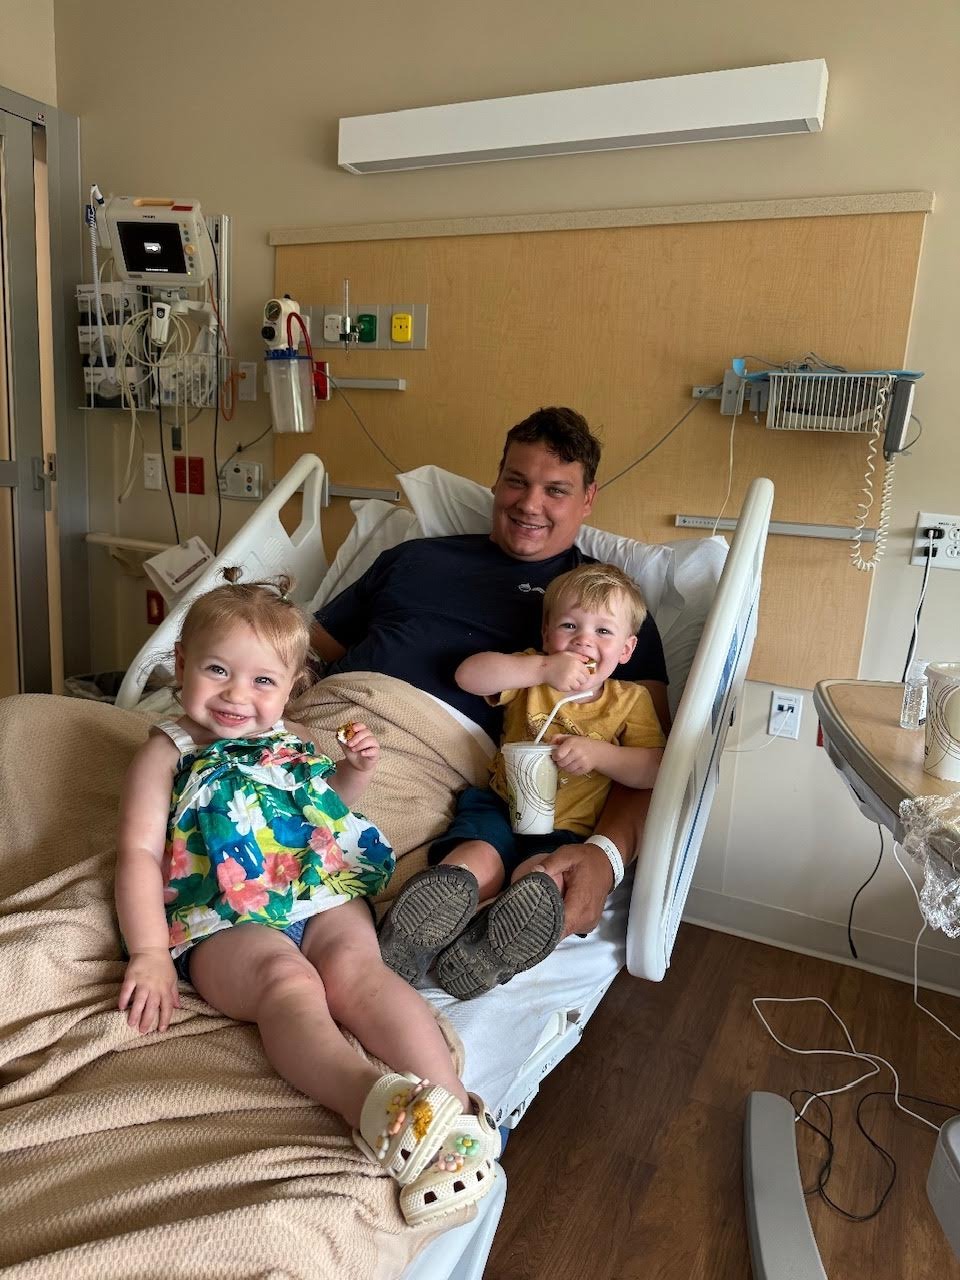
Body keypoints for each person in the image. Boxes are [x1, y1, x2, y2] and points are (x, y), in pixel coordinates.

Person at [114, 568, 500, 1227]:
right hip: (224, 915)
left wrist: (354, 773)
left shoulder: (288, 743)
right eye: (217, 670)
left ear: (292, 687)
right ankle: (373, 1105)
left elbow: (322, 813)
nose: (237, 695)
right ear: (180, 665)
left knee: (359, 974)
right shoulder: (168, 752)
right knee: (286, 983)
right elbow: (139, 854)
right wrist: (149, 953)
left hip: (316, 892)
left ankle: (457, 1112)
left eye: (263, 681)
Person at [311, 406, 670, 948]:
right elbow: (313, 646)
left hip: (416, 755)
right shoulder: (413, 557)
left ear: (587, 499)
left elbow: (648, 757)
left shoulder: (601, 609)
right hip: (322, 714)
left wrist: (606, 857)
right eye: (516, 482)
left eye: (556, 490)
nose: (529, 504)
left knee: (292, 844)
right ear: (497, 481)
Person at [379, 563, 665, 998]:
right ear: (547, 633)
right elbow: (468, 675)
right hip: (499, 805)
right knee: (475, 858)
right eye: (569, 626)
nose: (584, 640)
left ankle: (493, 945)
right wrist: (542, 668)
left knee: (544, 877)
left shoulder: (629, 701)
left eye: (603, 631)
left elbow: (654, 769)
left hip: (567, 831)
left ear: (626, 650)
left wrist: (601, 755)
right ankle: (425, 921)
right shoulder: (532, 674)